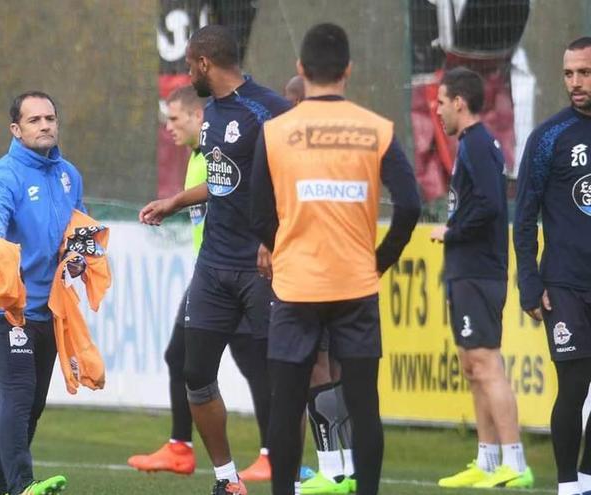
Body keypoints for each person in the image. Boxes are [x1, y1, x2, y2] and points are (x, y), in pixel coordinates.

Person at [250, 23, 421, 495]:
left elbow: (255, 212)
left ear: (302, 70)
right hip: (355, 285)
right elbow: (409, 204)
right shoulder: (376, 129)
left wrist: (284, 247)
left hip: (295, 285)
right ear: (348, 70)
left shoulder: (276, 131)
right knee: (364, 405)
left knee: (285, 406)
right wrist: (380, 261)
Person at [140, 24, 292, 495]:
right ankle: (227, 479)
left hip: (258, 267)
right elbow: (226, 179)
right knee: (194, 372)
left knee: (282, 373)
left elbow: (293, 181)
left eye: (189, 65)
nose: (187, 73)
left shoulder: (269, 110)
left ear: (205, 64)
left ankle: (303, 473)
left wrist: (274, 238)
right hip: (213, 267)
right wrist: (176, 201)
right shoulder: (211, 114)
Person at [0, 91, 83, 495]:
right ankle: (22, 486)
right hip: (5, 308)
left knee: (32, 404)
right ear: (16, 130)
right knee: (18, 392)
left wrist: (78, 256)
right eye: (35, 120)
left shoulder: (69, 174)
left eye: (50, 118)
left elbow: (78, 226)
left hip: (47, 309)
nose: (45, 126)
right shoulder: (4, 176)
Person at [431, 67, 533, 489]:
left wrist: (452, 231)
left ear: (459, 102)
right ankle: (488, 460)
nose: (436, 111)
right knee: (473, 366)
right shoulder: (470, 145)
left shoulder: (477, 144)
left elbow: (492, 205)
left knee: (486, 364)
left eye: (440, 102)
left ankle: (516, 461)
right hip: (466, 270)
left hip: (478, 271)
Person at [514, 36, 591, 495]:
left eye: (584, 73)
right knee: (575, 384)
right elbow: (524, 215)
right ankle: (566, 487)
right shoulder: (547, 138)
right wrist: (529, 281)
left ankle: (586, 478)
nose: (575, 83)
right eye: (568, 74)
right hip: (563, 283)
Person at [280, 75, 357, 495]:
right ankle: (347, 466)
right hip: (346, 269)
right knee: (336, 368)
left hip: (314, 270)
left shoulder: (301, 149)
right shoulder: (344, 141)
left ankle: (335, 471)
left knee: (316, 367)